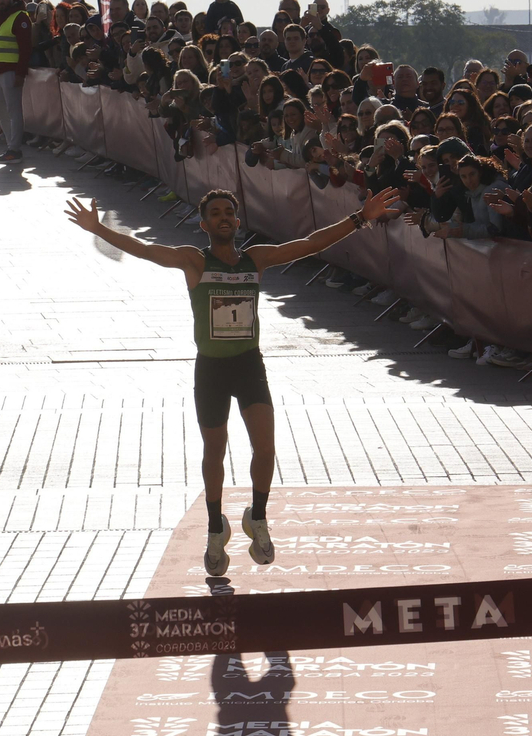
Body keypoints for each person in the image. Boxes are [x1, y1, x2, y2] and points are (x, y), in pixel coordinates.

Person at [64, 187, 401, 575]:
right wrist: (99, 229)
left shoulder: (256, 259)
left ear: (238, 222)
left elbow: (309, 244)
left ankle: (257, 518)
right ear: (205, 224)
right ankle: (214, 526)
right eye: (216, 213)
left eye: (230, 212)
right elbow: (144, 248)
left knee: (265, 447)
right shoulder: (194, 261)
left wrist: (360, 218)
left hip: (248, 365)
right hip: (211, 369)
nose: (224, 218)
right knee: (215, 451)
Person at [0, 0, 32, 164]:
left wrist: (21, 73)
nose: (2, 0)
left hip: (11, 71)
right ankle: (10, 146)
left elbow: (25, 48)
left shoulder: (20, 17)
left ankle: (15, 149)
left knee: (14, 110)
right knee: (1, 110)